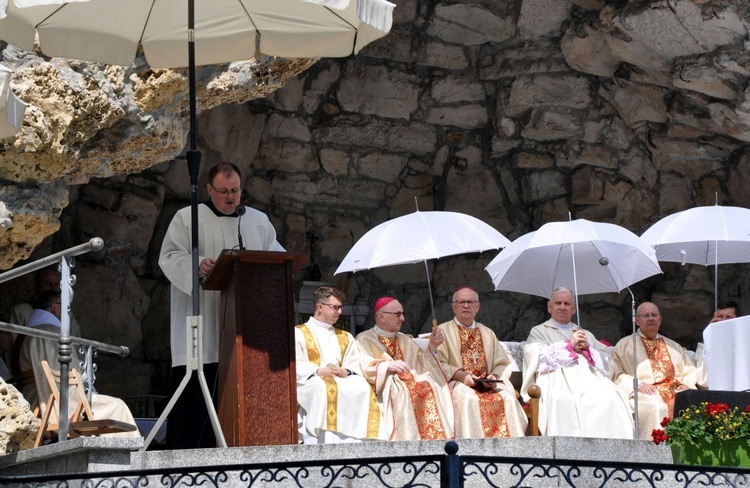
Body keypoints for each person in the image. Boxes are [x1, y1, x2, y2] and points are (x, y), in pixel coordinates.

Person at [159, 161, 284, 449]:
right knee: (197, 391)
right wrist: (197, 265)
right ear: (209, 189)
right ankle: (190, 456)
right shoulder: (187, 217)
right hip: (201, 324)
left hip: (242, 325)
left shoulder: (257, 221)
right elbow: (168, 257)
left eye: (236, 191)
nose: (230, 197)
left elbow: (276, 259)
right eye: (224, 191)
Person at [15, 290, 139, 437]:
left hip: (32, 398)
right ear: (55, 307)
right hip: (53, 403)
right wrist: (83, 397)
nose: (69, 313)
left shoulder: (26, 333)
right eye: (66, 308)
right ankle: (126, 456)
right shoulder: (48, 333)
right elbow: (64, 375)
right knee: (118, 406)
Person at [521, 287, 633, 439]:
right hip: (557, 380)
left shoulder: (584, 334)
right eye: (558, 303)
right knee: (564, 401)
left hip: (591, 380)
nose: (562, 307)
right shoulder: (539, 331)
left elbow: (608, 358)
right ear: (549, 307)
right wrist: (569, 344)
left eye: (567, 304)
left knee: (611, 400)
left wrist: (589, 350)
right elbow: (535, 357)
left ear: (574, 309)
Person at [295, 285, 386, 444]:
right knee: (321, 387)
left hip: (340, 377)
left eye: (340, 307)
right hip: (312, 379)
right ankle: (322, 441)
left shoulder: (345, 336)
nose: (340, 312)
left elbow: (353, 361)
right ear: (320, 307)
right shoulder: (299, 332)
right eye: (335, 307)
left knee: (362, 387)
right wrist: (318, 371)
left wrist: (347, 371)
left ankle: (358, 441)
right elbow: (297, 362)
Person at [356, 297, 454, 441]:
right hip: (386, 384)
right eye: (397, 314)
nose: (402, 318)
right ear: (381, 316)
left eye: (402, 313)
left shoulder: (405, 339)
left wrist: (433, 346)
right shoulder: (364, 339)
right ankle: (405, 440)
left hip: (410, 379)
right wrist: (387, 366)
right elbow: (363, 364)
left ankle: (434, 440)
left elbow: (422, 363)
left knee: (427, 383)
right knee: (402, 391)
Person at [435, 287, 527, 438]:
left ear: (477, 307)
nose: (466, 306)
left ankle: (511, 451)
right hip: (459, 382)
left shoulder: (487, 333)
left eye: (470, 302)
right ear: (453, 307)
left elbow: (502, 362)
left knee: (508, 399)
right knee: (468, 399)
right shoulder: (442, 332)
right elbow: (437, 363)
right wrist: (461, 375)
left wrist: (493, 376)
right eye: (461, 302)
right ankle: (471, 452)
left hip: (488, 384)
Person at [610, 302, 697, 440]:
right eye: (646, 315)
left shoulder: (674, 346)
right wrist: (638, 385)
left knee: (691, 404)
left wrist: (686, 384)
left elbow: (689, 370)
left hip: (675, 390)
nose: (651, 318)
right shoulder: (625, 345)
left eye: (654, 315)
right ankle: (656, 454)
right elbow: (616, 374)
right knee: (656, 407)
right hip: (645, 392)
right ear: (637, 320)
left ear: (660, 320)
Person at [695, 300, 740, 389]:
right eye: (720, 317)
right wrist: (709, 335)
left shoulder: (745, 343)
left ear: (737, 319)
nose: (723, 321)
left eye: (728, 317)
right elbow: (702, 379)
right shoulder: (704, 346)